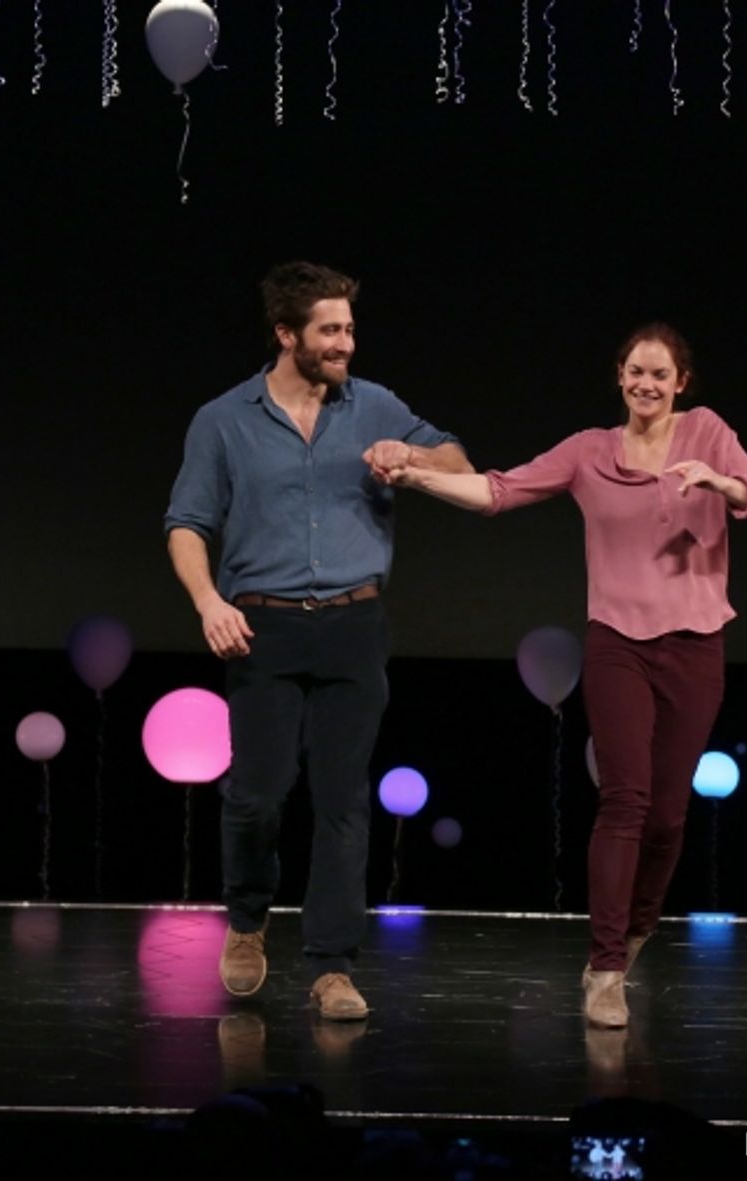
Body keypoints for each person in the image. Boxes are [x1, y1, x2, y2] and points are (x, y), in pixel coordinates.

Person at [371, 323, 747, 1029]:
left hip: (696, 643)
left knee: (669, 812)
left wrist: (722, 481)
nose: (646, 384)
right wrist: (416, 475)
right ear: (619, 377)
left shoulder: (708, 431)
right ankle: (605, 967)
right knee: (624, 799)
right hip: (617, 641)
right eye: (635, 372)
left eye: (660, 374)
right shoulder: (590, 452)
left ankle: (636, 930)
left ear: (680, 381)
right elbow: (499, 491)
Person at [164, 260, 472, 1018]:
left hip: (352, 624)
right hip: (261, 626)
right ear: (286, 334)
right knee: (256, 797)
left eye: (350, 329)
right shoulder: (224, 419)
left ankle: (333, 965)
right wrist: (208, 602)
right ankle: (246, 919)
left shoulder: (374, 406)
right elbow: (186, 524)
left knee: (343, 801)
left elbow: (459, 459)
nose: (345, 343)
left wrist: (414, 458)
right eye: (330, 330)